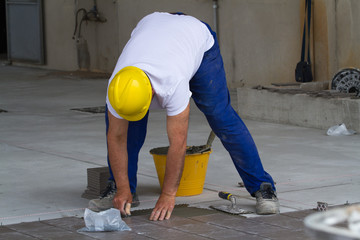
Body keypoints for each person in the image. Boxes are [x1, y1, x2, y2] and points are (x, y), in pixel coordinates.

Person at [89, 12, 279, 221]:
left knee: (220, 116)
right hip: (155, 27)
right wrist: (122, 187)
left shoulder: (173, 83)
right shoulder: (118, 86)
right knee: (129, 130)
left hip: (196, 39)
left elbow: (178, 144)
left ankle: (263, 186)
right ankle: (121, 190)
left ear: (152, 94)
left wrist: (169, 194)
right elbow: (116, 137)